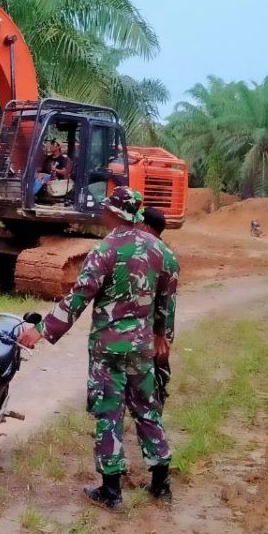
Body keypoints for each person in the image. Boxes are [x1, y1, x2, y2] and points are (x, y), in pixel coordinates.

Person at [18, 187, 178, 510]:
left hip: (108, 348)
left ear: (115, 214)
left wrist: (41, 331)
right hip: (142, 349)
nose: (103, 213)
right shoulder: (162, 253)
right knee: (147, 409)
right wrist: (163, 335)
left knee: (109, 413)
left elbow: (78, 298)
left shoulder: (105, 250)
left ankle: (111, 491)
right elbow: (166, 300)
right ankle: (161, 483)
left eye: (106, 210)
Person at [141, 207, 175, 407]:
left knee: (153, 376)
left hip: (153, 330)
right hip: (156, 329)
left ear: (145, 226)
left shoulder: (156, 255)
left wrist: (162, 335)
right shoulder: (166, 254)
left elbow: (166, 300)